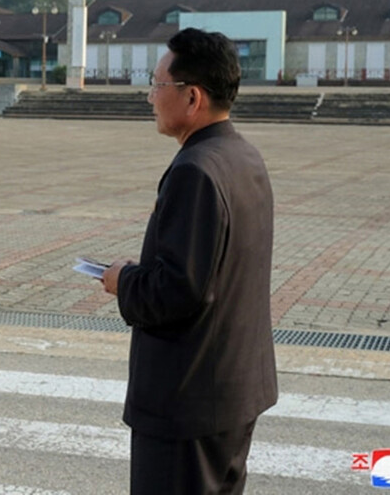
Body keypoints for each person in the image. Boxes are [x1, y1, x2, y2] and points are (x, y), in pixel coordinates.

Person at [101, 27, 277, 494]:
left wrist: (123, 280)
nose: (150, 98)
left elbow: (180, 290)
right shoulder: (243, 156)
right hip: (232, 389)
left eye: (158, 86)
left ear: (192, 97)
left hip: (188, 401)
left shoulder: (195, 171)